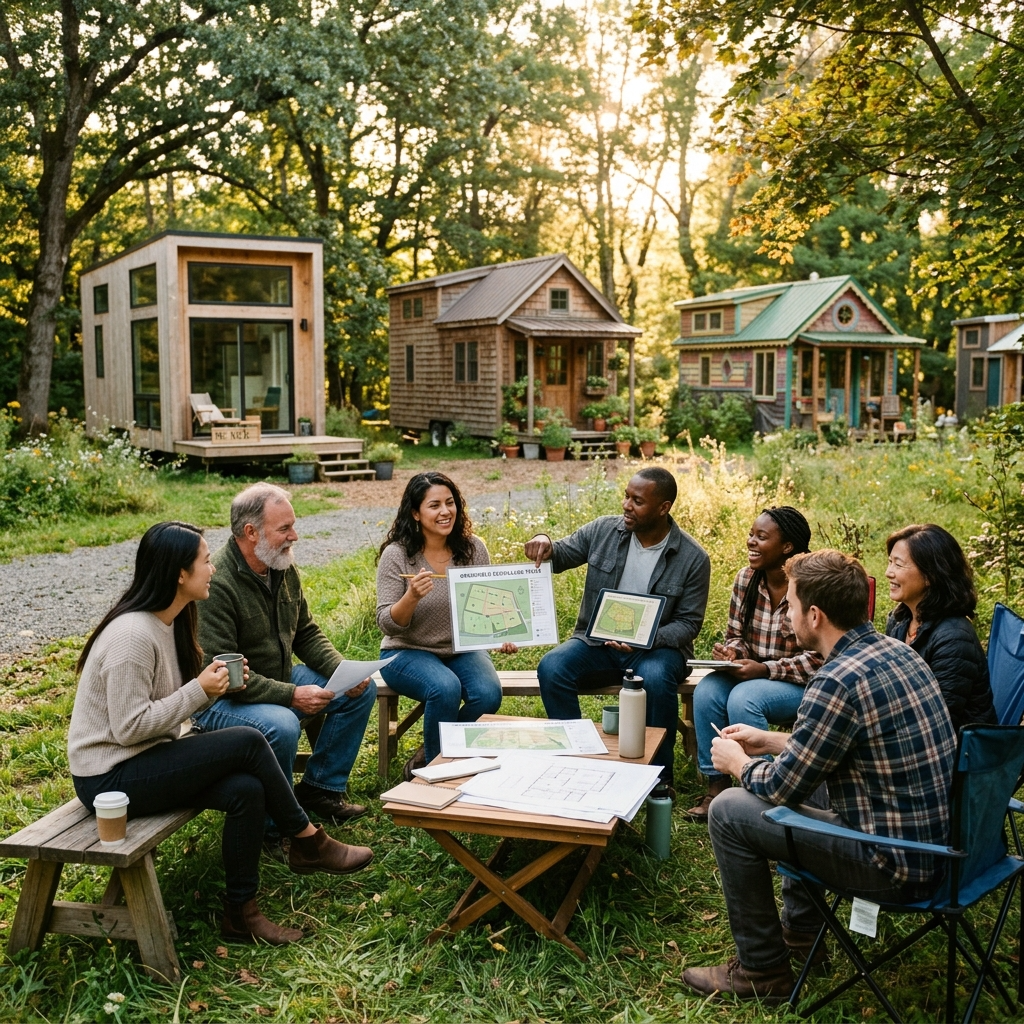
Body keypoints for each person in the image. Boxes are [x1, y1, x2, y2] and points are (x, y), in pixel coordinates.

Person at [68, 522, 374, 946]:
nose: (213, 568)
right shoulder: (132, 636)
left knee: (245, 789)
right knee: (249, 740)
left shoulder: (171, 621)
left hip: (148, 756)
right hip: (108, 780)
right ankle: (307, 839)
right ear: (179, 573)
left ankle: (240, 915)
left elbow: (166, 708)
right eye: (205, 561)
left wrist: (213, 685)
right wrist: (200, 690)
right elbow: (128, 727)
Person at [680, 549, 956, 1002]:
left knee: (729, 809)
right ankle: (803, 936)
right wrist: (767, 741)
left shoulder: (833, 681)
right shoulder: (897, 652)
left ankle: (762, 970)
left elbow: (779, 787)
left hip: (894, 865)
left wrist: (737, 764)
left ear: (814, 614)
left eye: (789, 605)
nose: (786, 616)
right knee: (816, 781)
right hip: (942, 849)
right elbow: (845, 746)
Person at [195, 483, 376, 840]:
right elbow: (227, 679)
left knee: (360, 692)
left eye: (293, 525)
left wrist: (340, 671)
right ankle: (272, 827)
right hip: (220, 701)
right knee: (282, 724)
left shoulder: (280, 565)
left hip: (273, 680)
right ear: (251, 533)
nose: (294, 536)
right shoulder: (217, 584)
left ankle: (320, 788)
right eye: (284, 529)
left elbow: (305, 632)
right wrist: (292, 695)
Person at [525, 467, 711, 788]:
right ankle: (578, 758)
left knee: (653, 677)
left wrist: (645, 639)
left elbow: (688, 625)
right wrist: (544, 541)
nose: (626, 505)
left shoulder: (693, 558)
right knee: (553, 667)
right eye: (626, 496)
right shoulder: (604, 531)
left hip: (658, 652)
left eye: (637, 501)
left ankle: (656, 778)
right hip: (596, 644)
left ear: (663, 508)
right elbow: (561, 553)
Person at [687, 507, 822, 820]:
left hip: (801, 684)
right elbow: (736, 635)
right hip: (751, 673)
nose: (751, 542)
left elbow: (821, 657)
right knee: (707, 690)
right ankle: (717, 786)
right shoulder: (747, 579)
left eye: (761, 537)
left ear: (787, 547)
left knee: (745, 697)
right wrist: (733, 652)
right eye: (751, 534)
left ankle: (758, 794)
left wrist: (765, 670)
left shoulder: (809, 584)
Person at [376, 472, 514, 774]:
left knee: (488, 694)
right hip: (405, 651)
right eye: (434, 505)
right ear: (415, 513)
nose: (445, 512)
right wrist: (411, 597)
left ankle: (433, 751)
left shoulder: (473, 548)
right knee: (445, 687)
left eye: (450, 503)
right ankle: (438, 773)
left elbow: (488, 606)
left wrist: (502, 633)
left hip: (462, 648)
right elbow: (387, 623)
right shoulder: (397, 555)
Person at [885, 523, 997, 731]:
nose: (888, 572)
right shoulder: (900, 619)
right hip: (911, 728)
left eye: (898, 565)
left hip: (954, 751)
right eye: (890, 562)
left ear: (930, 576)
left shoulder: (954, 638)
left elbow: (938, 718)